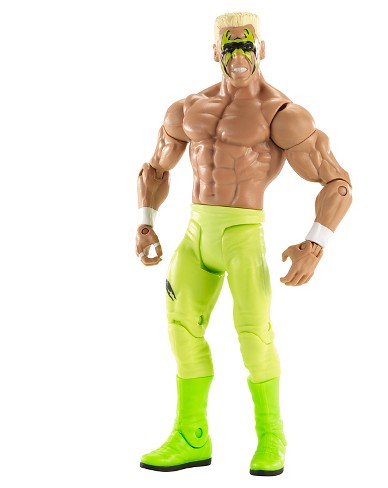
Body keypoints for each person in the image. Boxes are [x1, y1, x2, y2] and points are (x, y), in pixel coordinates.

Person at [135, 12, 352, 476]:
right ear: (216, 51)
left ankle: (272, 435)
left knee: (254, 336)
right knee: (180, 330)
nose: (238, 55)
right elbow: (154, 169)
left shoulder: (281, 114)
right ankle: (191, 436)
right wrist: (145, 222)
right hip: (196, 233)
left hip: (243, 236)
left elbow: (337, 183)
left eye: (246, 45)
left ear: (261, 49)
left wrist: (315, 244)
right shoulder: (187, 109)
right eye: (230, 46)